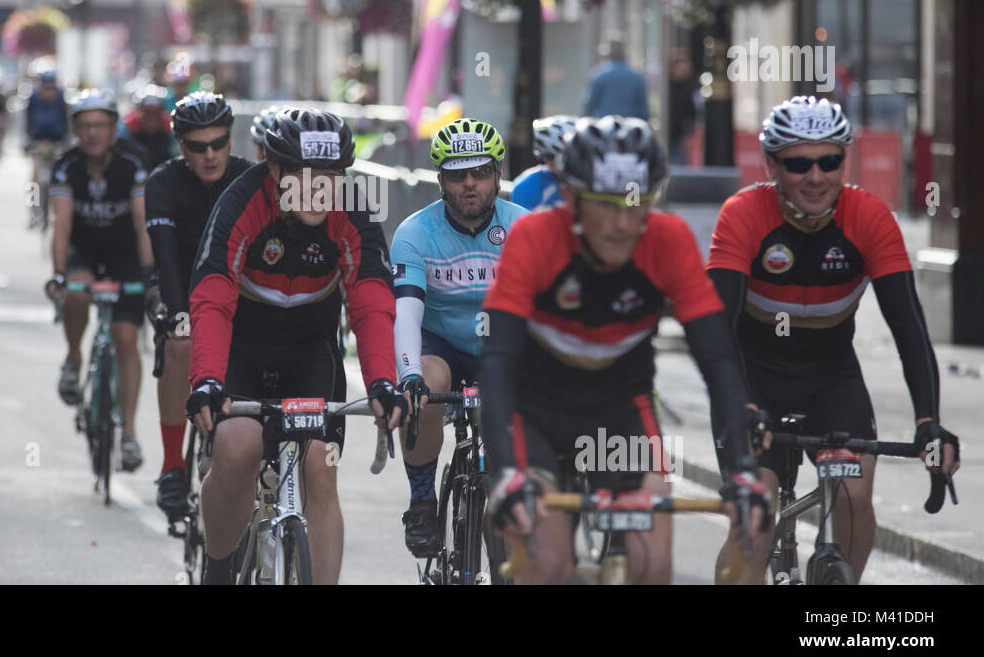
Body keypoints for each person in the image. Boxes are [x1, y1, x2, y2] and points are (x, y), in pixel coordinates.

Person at [478, 116, 765, 584]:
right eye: (606, 206)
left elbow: (718, 359)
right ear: (570, 198)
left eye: (637, 205)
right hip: (533, 416)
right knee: (548, 564)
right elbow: (497, 359)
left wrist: (742, 470)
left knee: (652, 566)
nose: (622, 223)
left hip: (618, 414)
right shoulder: (534, 238)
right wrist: (507, 472)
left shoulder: (667, 240)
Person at [706, 95, 960, 583]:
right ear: (772, 164)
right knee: (755, 518)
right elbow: (717, 328)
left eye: (830, 160)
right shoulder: (744, 213)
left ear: (846, 159)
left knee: (854, 497)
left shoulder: (869, 217)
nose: (816, 176)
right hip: (751, 376)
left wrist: (929, 420)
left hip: (830, 377)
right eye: (799, 163)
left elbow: (908, 327)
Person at [185, 109, 404, 585]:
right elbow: (213, 295)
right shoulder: (243, 199)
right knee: (239, 447)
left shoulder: (353, 207)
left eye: (330, 176)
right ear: (275, 169)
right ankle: (218, 569)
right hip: (242, 345)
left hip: (310, 349)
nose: (318, 188)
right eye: (303, 176)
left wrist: (383, 380)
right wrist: (206, 378)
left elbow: (370, 300)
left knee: (320, 466)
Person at [391, 118, 528, 556]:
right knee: (425, 389)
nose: (470, 184)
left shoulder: (525, 229)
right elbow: (407, 313)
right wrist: (409, 375)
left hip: (501, 346)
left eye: (480, 172)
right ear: (440, 180)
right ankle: (422, 501)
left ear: (498, 174)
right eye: (457, 174)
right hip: (441, 345)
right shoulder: (415, 232)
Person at [143, 91, 252, 520]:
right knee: (181, 340)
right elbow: (166, 257)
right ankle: (173, 465)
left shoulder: (250, 178)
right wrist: (178, 313)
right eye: (197, 147)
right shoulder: (162, 183)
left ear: (230, 139)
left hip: (236, 294)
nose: (210, 155)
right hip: (177, 288)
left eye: (219, 143)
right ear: (180, 146)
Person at [44, 90, 155, 472]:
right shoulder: (65, 166)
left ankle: (128, 433)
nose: (92, 134)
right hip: (83, 251)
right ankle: (74, 357)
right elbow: (61, 226)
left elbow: (142, 223)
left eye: (100, 125)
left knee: (126, 339)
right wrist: (58, 275)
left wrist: (149, 276)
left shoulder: (132, 162)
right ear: (75, 129)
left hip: (124, 255)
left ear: (113, 128)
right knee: (76, 292)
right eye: (85, 126)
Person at [25, 60, 70, 219]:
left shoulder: (61, 98)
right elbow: (27, 121)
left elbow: (66, 121)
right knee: (35, 177)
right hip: (38, 141)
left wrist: (66, 142)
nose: (48, 88)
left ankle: (56, 209)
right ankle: (32, 210)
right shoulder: (33, 98)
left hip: (56, 141)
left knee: (57, 175)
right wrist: (27, 141)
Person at [510, 115, 574, 211]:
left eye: (550, 157)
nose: (547, 163)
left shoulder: (593, 181)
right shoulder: (527, 185)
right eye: (546, 157)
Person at [583, 35, 649, 121]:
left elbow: (590, 104)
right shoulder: (636, 77)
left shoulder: (599, 74)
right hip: (629, 128)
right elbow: (643, 111)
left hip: (604, 127)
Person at [120, 85, 178, 170]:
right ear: (139, 112)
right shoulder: (129, 127)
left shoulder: (170, 127)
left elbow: (177, 152)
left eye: (156, 113)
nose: (152, 118)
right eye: (147, 113)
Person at [666, 47, 698, 166]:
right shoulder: (667, 87)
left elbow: (690, 111)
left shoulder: (687, 86)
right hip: (668, 136)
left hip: (678, 138)